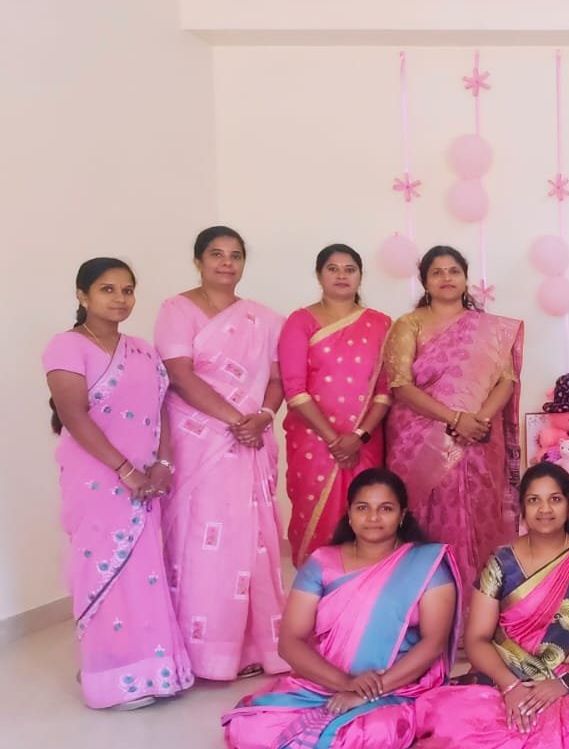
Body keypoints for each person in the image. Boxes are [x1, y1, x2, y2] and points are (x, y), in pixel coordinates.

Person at [221, 469, 458, 749]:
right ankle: (315, 739)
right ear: (349, 513)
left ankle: (314, 744)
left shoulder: (426, 564)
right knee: (248, 734)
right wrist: (346, 684)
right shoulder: (323, 562)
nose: (373, 518)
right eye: (363, 508)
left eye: (386, 508)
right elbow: (290, 642)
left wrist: (369, 692)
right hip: (323, 682)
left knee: (376, 732)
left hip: (396, 685)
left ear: (402, 515)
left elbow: (433, 643)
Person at [43, 258, 194, 709]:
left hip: (145, 479)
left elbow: (162, 410)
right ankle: (109, 672)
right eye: (107, 289)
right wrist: (124, 470)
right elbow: (74, 416)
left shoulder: (142, 350)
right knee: (104, 568)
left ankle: (153, 670)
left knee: (144, 570)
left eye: (127, 290)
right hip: (97, 477)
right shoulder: (67, 346)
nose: (120, 299)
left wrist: (163, 462)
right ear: (82, 294)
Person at [413, 463, 569, 749]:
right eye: (534, 500)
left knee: (561, 733)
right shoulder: (501, 562)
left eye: (554, 499)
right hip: (507, 672)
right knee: (452, 723)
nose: (545, 509)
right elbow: (477, 639)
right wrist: (510, 686)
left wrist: (563, 684)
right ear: (522, 508)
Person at [155, 226, 288, 681]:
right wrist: (236, 420)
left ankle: (253, 646)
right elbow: (180, 374)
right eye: (216, 254)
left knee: (250, 540)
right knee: (200, 540)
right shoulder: (176, 309)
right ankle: (200, 651)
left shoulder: (264, 319)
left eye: (235, 255)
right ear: (198, 261)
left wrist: (263, 416)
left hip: (250, 437)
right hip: (198, 438)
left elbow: (277, 379)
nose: (226, 263)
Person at [382, 245, 523, 617]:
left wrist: (479, 420)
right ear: (425, 282)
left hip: (478, 436)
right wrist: (455, 419)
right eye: (437, 272)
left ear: (465, 278)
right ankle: (427, 612)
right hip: (420, 439)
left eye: (453, 271)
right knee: (425, 519)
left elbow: (505, 381)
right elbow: (400, 384)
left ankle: (479, 612)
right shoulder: (408, 324)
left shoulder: (489, 329)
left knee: (479, 515)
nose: (446, 278)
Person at [279, 244, 392, 566]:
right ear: (319, 275)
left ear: (360, 276)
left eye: (349, 269)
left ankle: (366, 585)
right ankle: (315, 585)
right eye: (333, 268)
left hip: (365, 441)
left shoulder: (381, 324)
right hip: (314, 441)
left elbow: (385, 391)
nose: (342, 275)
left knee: (369, 511)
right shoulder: (300, 321)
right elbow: (294, 390)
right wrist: (334, 440)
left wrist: (358, 436)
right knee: (314, 513)